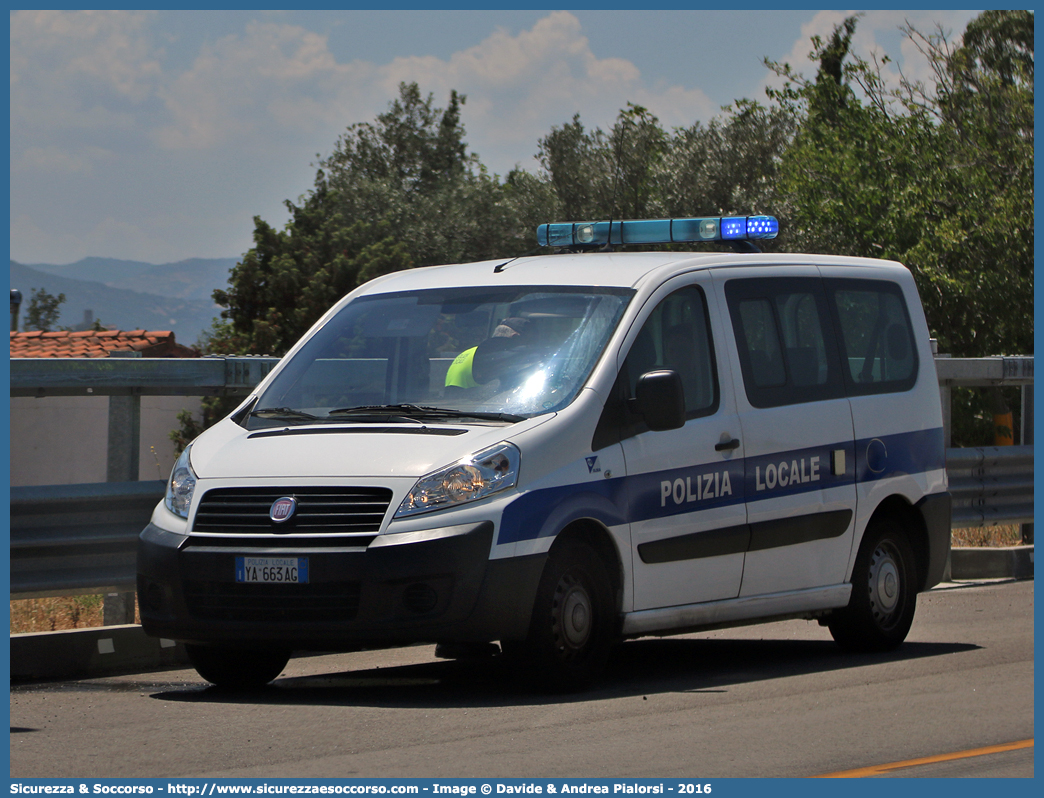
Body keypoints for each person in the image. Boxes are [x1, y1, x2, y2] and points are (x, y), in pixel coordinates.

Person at [445, 317, 529, 389]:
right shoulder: (500, 354)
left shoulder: (471, 351)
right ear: (515, 337)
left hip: (450, 402)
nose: (526, 345)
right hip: (473, 401)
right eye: (526, 341)